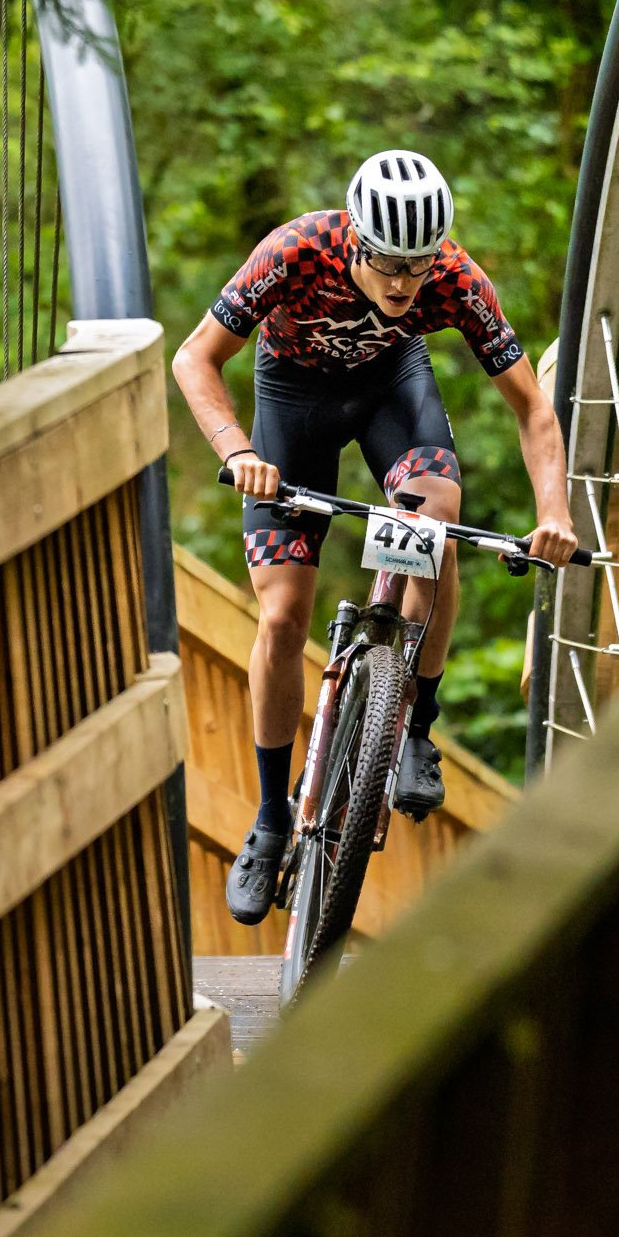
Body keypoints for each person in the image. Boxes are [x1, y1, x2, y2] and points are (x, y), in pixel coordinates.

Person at [171, 149, 578, 925]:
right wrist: (239, 451)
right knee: (284, 615)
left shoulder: (456, 277)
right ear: (355, 239)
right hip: (292, 402)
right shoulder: (294, 252)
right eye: (388, 261)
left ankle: (417, 725)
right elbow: (194, 359)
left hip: (393, 390)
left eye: (417, 264)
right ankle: (269, 817)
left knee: (437, 519)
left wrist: (553, 512)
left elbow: (532, 408)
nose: (402, 281)